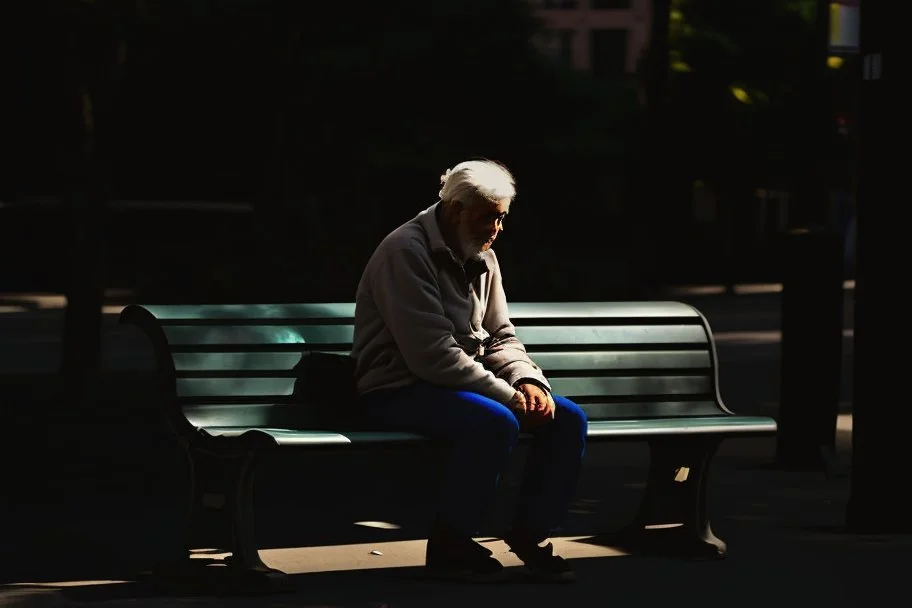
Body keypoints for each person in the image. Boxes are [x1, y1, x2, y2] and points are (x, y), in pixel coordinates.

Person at [351, 159, 588, 583]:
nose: (495, 229)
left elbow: (499, 335)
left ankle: (532, 536)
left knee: (567, 418)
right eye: (487, 218)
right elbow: (431, 355)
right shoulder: (405, 252)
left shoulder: (483, 255)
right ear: (455, 209)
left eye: (501, 218)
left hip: (454, 385)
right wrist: (510, 398)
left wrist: (529, 381)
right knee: (494, 421)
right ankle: (451, 543)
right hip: (395, 386)